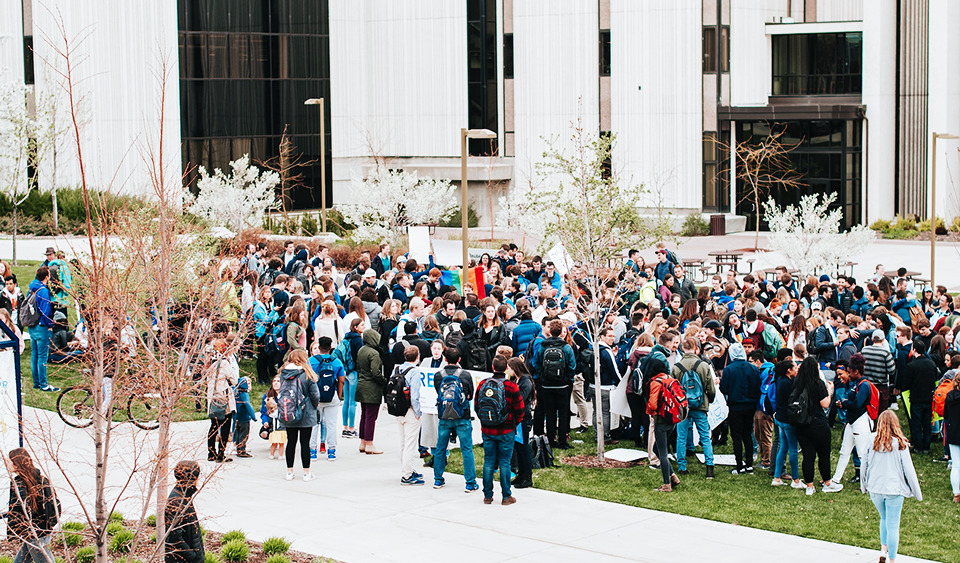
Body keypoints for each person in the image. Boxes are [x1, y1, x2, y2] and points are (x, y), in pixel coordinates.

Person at [861, 410, 923, 563]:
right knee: (893, 524)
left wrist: (864, 485)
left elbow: (864, 464)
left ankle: (883, 550)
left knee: (884, 518)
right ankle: (893, 559)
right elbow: (909, 470)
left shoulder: (871, 440)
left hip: (875, 487)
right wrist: (917, 492)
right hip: (894, 489)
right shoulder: (900, 443)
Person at [476, 355, 524, 505]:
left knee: (488, 462)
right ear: (506, 369)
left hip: (487, 430)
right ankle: (506, 496)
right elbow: (520, 410)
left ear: (492, 367)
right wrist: (515, 423)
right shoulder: (512, 386)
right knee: (505, 463)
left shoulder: (483, 384)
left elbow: (477, 406)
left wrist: (485, 421)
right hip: (506, 429)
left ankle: (488, 495)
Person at [791, 357, 842, 495]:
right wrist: (830, 390)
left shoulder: (797, 383)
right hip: (818, 422)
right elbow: (825, 404)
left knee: (808, 456)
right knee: (823, 455)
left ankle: (809, 486)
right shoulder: (818, 383)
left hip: (801, 424)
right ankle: (827, 482)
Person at [433, 347, 480, 492]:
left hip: (444, 416)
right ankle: (470, 483)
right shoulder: (465, 374)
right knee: (467, 449)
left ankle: (438, 480)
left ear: (445, 359)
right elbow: (470, 395)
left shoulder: (438, 375)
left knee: (440, 448)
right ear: (459, 359)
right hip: (462, 416)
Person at [7, 448, 59, 563]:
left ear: (17, 464)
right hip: (41, 530)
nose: (7, 464)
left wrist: (16, 530)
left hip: (34, 534)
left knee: (44, 560)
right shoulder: (42, 480)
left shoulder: (20, 485)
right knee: (21, 560)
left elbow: (18, 510)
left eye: (9, 461)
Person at [673, 337, 716, 479]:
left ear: (683, 348)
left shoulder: (676, 367)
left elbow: (673, 389)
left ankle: (682, 466)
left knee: (681, 436)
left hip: (683, 407)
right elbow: (710, 387)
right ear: (696, 348)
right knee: (705, 436)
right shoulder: (703, 365)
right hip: (700, 404)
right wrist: (709, 400)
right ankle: (709, 466)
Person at [532, 320, 577, 449]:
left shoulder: (543, 346)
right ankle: (563, 440)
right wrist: (568, 379)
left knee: (550, 413)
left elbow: (537, 363)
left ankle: (551, 440)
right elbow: (572, 365)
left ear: (550, 331)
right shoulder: (566, 347)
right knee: (563, 413)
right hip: (563, 385)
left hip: (546, 385)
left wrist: (543, 377)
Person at [831, 353, 875, 484]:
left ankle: (867, 482)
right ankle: (836, 479)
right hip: (852, 422)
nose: (848, 375)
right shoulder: (858, 384)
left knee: (862, 454)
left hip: (860, 422)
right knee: (844, 451)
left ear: (857, 371)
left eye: (849, 372)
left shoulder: (864, 385)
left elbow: (857, 404)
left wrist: (843, 403)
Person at [719, 342, 761, 474]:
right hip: (750, 405)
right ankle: (749, 465)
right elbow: (757, 386)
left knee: (736, 436)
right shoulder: (753, 368)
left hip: (735, 405)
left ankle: (739, 465)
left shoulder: (729, 369)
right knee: (747, 434)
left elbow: (723, 388)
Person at [279, 349, 321, 481]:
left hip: (289, 411)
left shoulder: (283, 374)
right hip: (306, 412)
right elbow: (315, 395)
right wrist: (315, 407)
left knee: (291, 442)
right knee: (305, 443)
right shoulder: (307, 373)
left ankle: (289, 472)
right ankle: (306, 473)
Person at [645, 356, 680, 492]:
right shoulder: (669, 378)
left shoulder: (656, 382)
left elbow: (653, 404)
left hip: (661, 419)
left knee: (662, 452)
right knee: (656, 449)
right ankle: (673, 476)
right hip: (672, 418)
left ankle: (666, 484)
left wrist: (650, 411)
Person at [309, 337, 345, 462]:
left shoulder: (311, 361)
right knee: (331, 424)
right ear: (331, 347)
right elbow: (341, 380)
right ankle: (331, 451)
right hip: (331, 396)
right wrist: (339, 395)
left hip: (315, 397)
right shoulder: (337, 362)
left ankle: (312, 451)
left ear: (319, 348)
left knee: (314, 424)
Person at [900, 337, 938, 453]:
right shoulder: (931, 364)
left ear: (914, 350)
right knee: (926, 423)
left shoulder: (911, 366)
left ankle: (918, 446)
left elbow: (906, 384)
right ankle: (926, 446)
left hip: (916, 398)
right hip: (928, 397)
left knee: (916, 423)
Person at [770, 359, 804, 489]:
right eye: (795, 367)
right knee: (793, 449)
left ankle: (777, 477)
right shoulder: (788, 383)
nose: (797, 369)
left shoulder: (780, 380)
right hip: (788, 421)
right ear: (789, 370)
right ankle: (795, 479)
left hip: (780, 418)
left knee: (783, 448)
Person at [393, 345, 424, 485]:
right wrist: (418, 412)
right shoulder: (415, 372)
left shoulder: (397, 369)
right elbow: (415, 396)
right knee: (410, 443)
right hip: (410, 410)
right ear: (417, 357)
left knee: (403, 442)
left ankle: (407, 468)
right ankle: (406, 475)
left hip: (398, 409)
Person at [206, 340, 238, 463]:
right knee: (225, 427)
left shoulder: (210, 363)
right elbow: (234, 380)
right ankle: (221, 453)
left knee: (213, 426)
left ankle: (211, 452)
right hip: (223, 399)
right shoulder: (224, 363)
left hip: (212, 398)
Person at [27, 267, 58, 392]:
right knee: (42, 356)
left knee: (34, 355)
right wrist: (50, 324)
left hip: (32, 326)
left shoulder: (32, 287)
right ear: (47, 276)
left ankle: (36, 382)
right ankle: (44, 384)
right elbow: (46, 311)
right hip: (42, 327)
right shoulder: (44, 291)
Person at [356, 328, 386, 455]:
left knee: (364, 415)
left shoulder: (361, 350)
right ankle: (369, 443)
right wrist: (384, 381)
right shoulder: (374, 353)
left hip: (362, 384)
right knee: (371, 417)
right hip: (372, 387)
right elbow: (375, 372)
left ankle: (363, 442)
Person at [508, 357, 535, 489]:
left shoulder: (526, 381)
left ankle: (527, 476)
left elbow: (521, 399)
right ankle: (521, 474)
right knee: (518, 448)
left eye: (510, 368)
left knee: (524, 449)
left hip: (523, 419)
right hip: (516, 418)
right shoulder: (515, 380)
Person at [942, 376, 960, 502]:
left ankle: (956, 493)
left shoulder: (950, 396)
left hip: (953, 432)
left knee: (956, 465)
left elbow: (946, 414)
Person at [233, 376, 257, 458]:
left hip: (237, 418)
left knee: (238, 434)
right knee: (244, 435)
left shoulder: (235, 394)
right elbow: (248, 406)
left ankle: (238, 449)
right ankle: (242, 450)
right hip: (244, 418)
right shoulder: (244, 395)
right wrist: (254, 416)